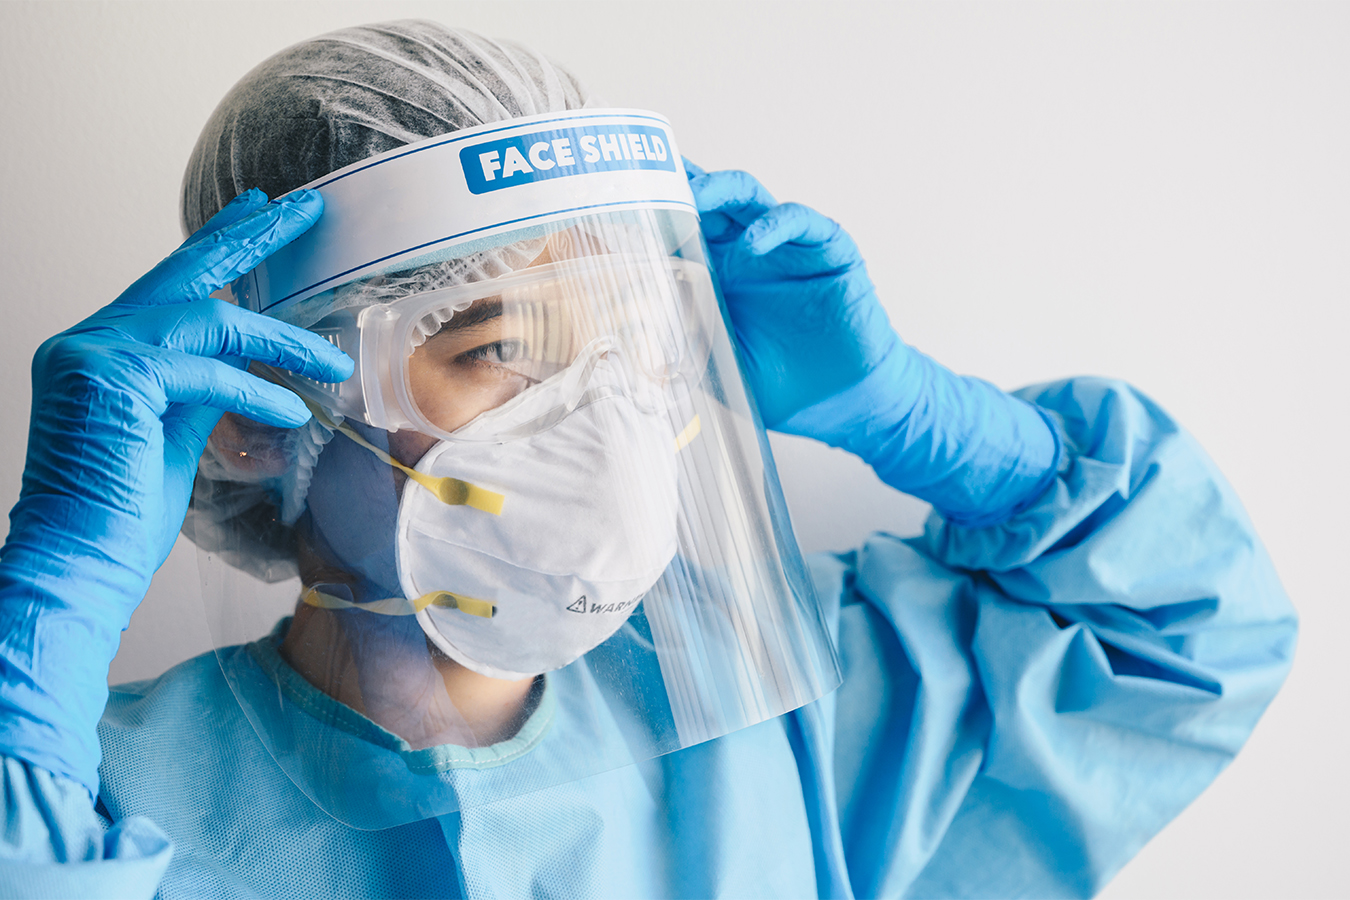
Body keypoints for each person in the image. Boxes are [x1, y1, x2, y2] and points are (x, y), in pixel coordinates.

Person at [0, 20, 1295, 900]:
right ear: (253, 403)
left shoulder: (803, 725)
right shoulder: (104, 796)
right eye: (502, 346)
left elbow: (1191, 631)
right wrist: (35, 640)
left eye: (629, 350)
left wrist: (903, 410)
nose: (601, 422)